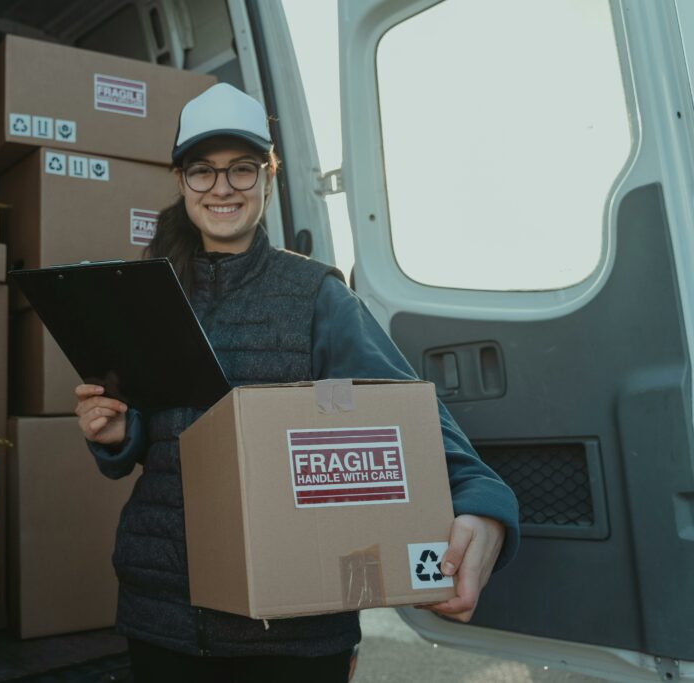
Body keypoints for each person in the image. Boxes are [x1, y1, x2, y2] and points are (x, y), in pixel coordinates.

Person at [74, 83, 520, 683]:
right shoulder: (149, 293)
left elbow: (413, 426)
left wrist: (485, 509)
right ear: (181, 182)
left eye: (242, 169)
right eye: (203, 172)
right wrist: (118, 434)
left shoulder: (318, 296)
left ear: (268, 176)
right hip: (161, 615)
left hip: (293, 635)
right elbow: (144, 443)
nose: (223, 187)